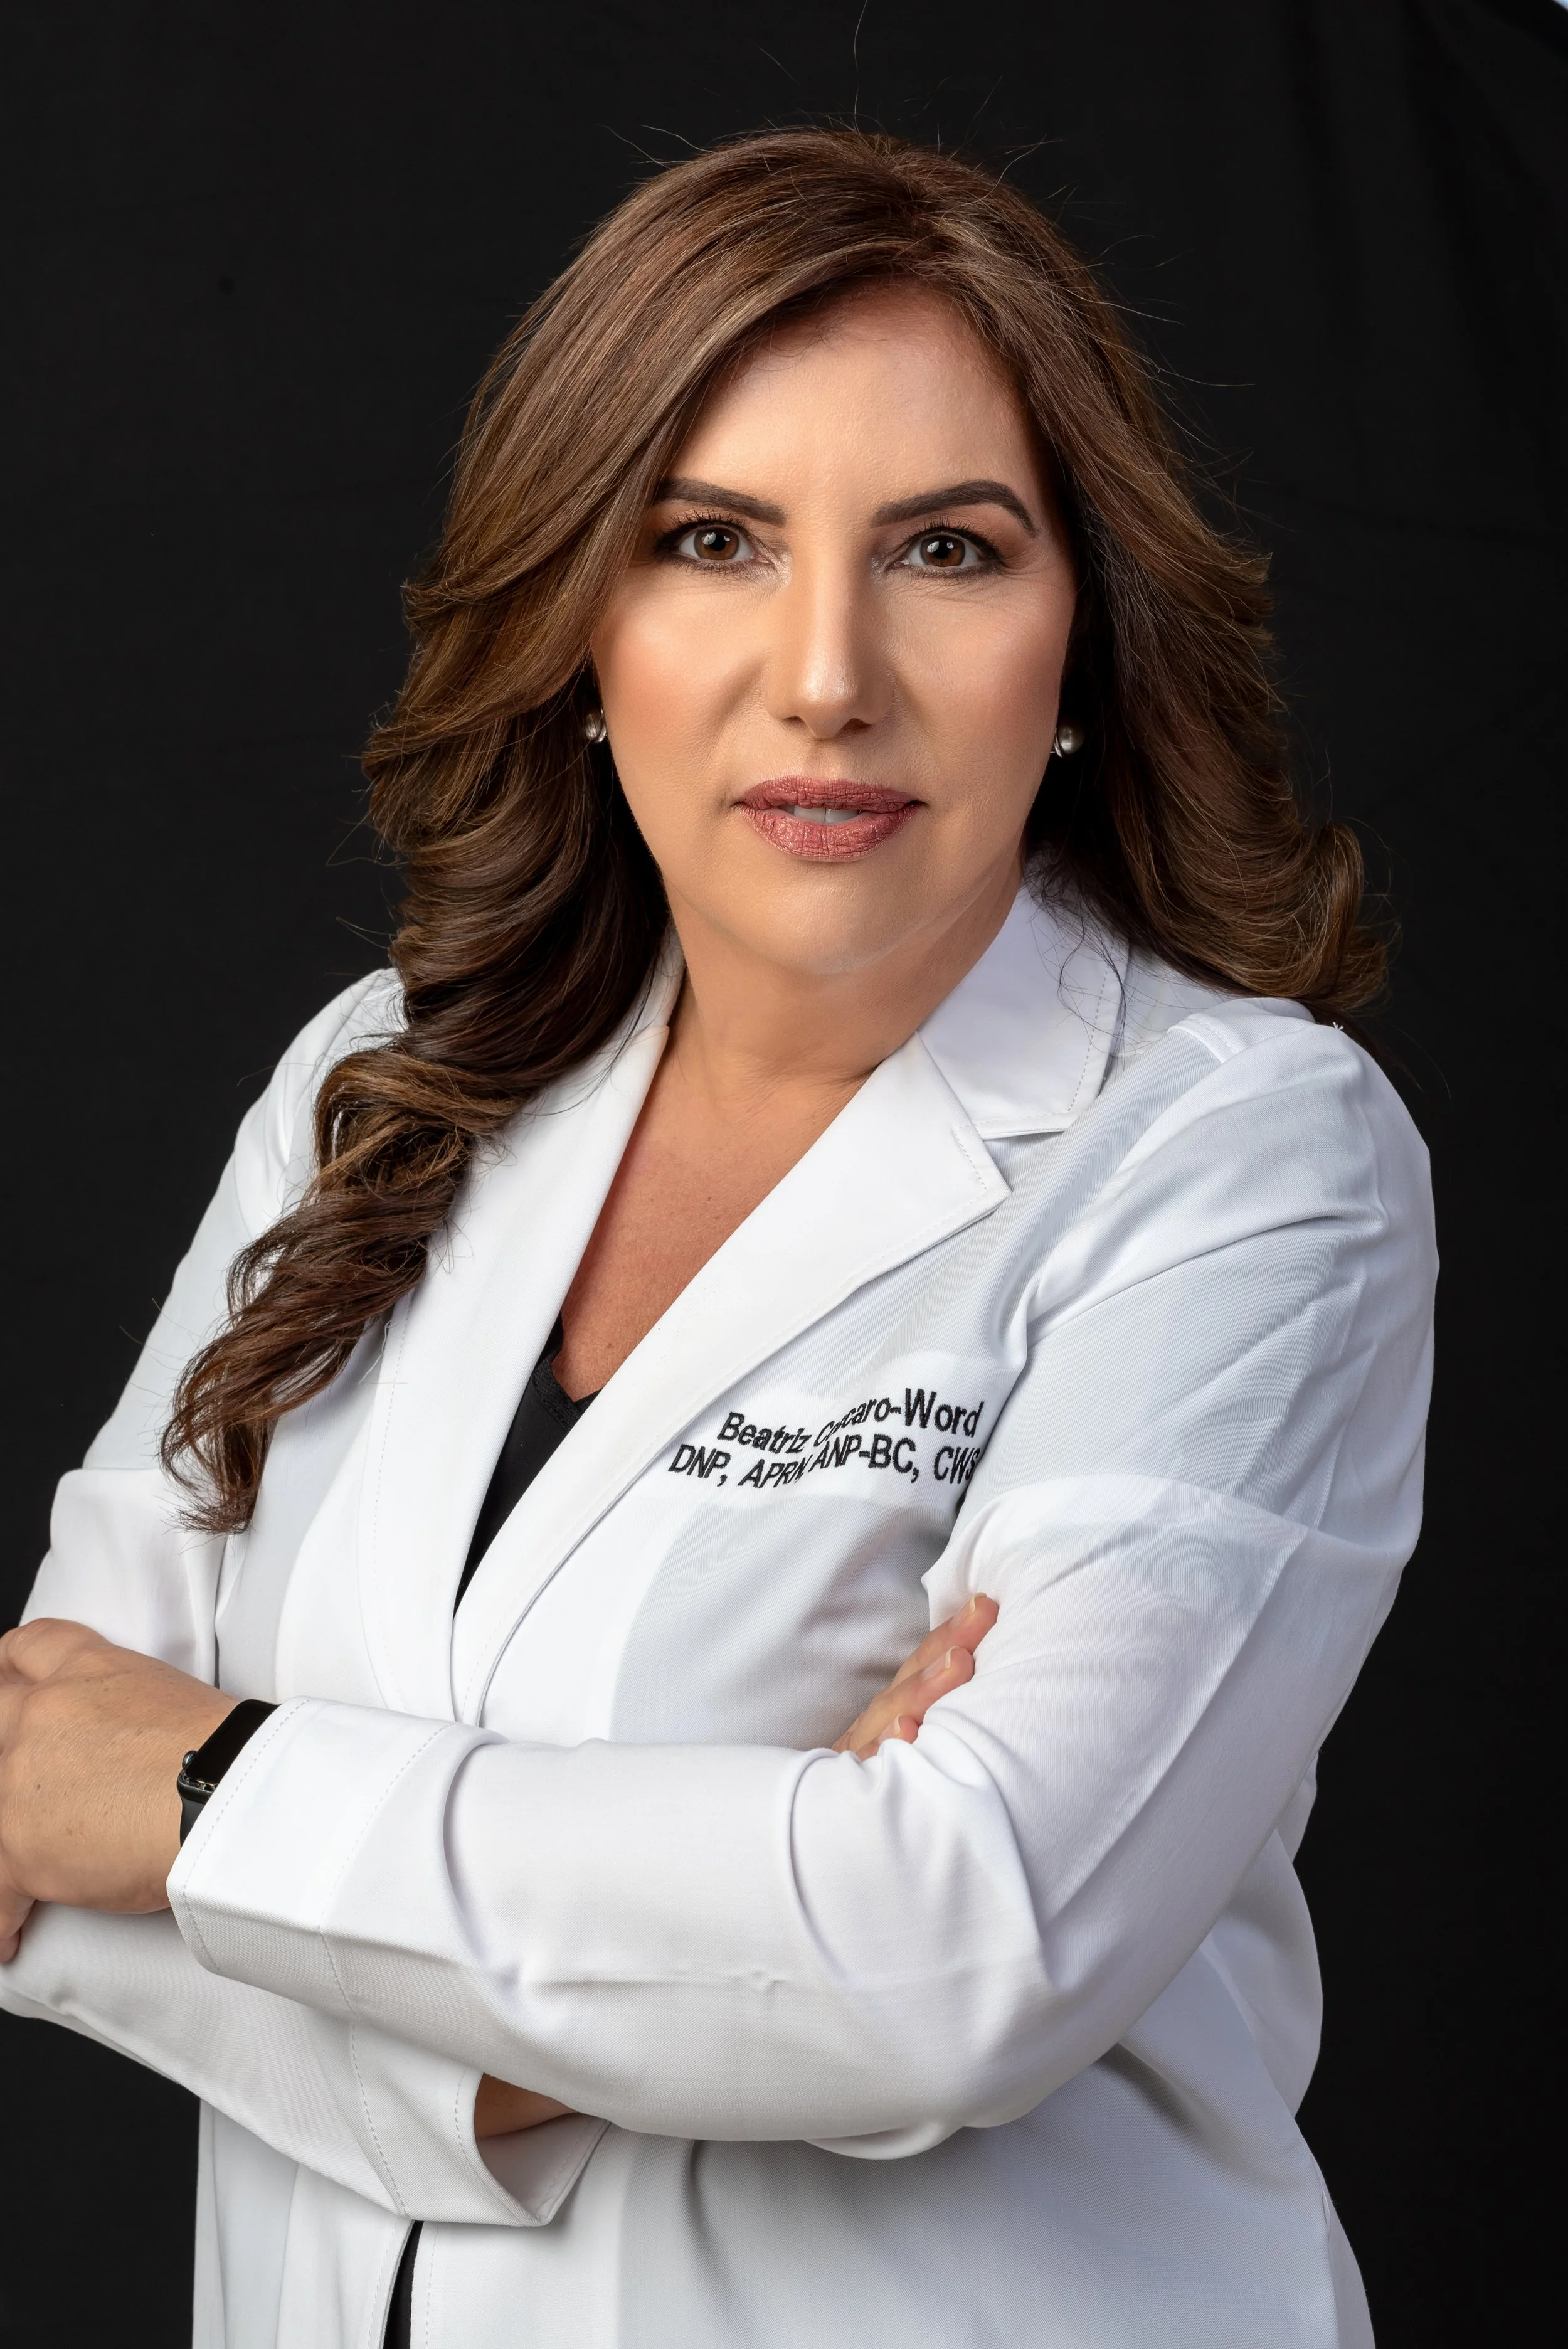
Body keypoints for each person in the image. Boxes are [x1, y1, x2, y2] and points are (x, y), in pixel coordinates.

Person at [0, 130, 1433, 2348]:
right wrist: (701, 1959)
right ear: (581, 632)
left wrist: (199, 1790)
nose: (824, 672)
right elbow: (23, 1816)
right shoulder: (376, 1081)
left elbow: (951, 1956)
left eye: (945, 549)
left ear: (1081, 648)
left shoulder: (1243, 1160)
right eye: (709, 542)